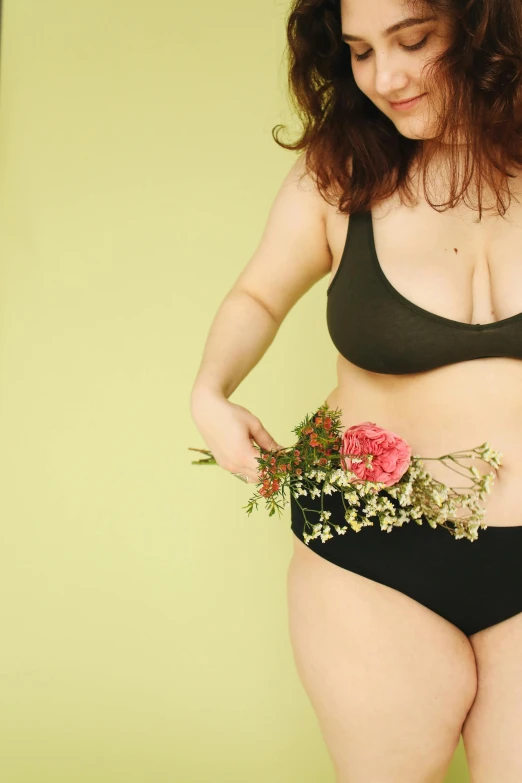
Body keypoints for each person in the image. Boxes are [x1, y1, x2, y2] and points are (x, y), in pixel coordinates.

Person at [190, 0, 522, 779]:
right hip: (374, 558)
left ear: (485, 32)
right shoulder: (339, 176)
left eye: (414, 42)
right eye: (361, 52)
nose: (388, 77)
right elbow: (258, 298)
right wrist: (210, 391)